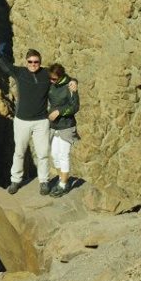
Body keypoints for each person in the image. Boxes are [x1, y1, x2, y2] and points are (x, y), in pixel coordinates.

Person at [0, 37, 53, 195]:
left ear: (40, 62)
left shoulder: (46, 74)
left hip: (41, 121)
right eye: (30, 62)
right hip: (22, 121)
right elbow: (5, 66)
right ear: (26, 62)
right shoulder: (20, 73)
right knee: (19, 152)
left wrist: (72, 82)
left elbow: (62, 77)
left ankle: (44, 181)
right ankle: (15, 181)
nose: (33, 64)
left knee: (43, 154)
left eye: (36, 62)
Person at [47, 63, 80, 197]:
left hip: (66, 126)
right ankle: (62, 179)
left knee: (63, 155)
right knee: (54, 155)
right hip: (54, 126)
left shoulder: (70, 86)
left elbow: (75, 106)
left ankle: (63, 184)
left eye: (54, 79)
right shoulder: (51, 83)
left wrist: (59, 112)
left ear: (61, 77)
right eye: (50, 78)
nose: (51, 81)